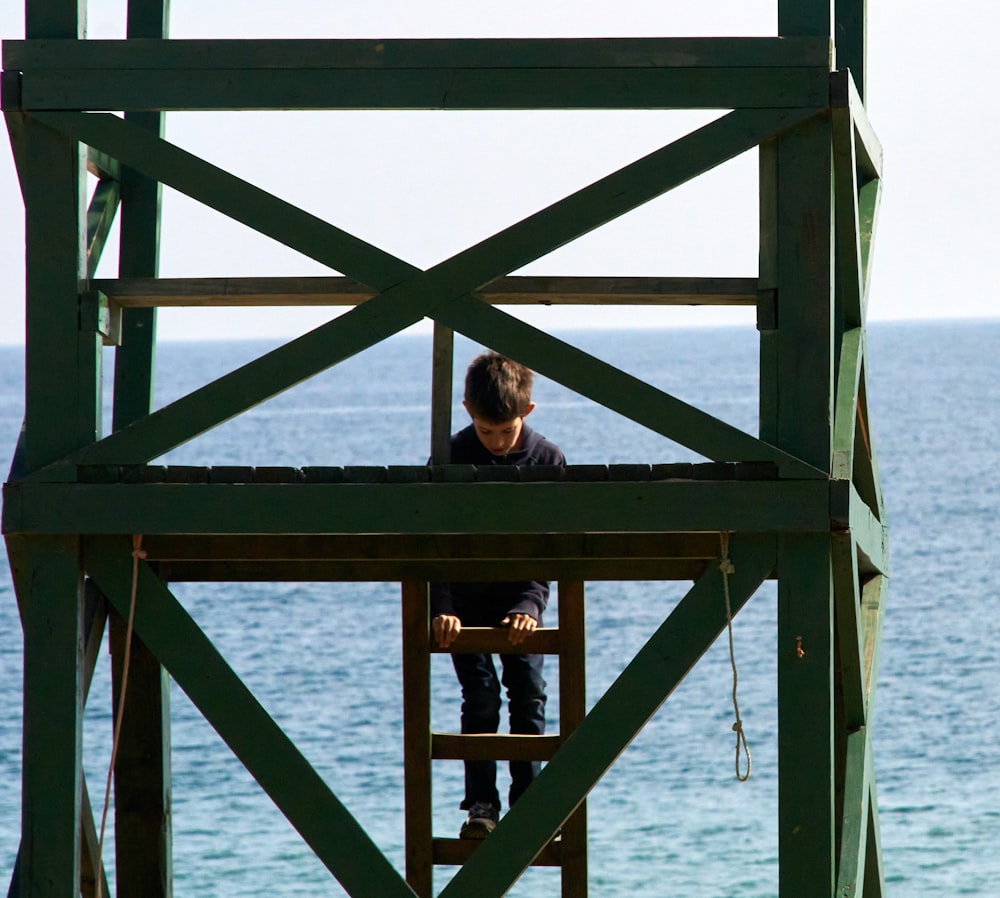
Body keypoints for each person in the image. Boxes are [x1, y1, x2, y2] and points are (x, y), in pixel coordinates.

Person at [430, 351, 566, 839]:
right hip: (463, 604)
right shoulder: (449, 457)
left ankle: (530, 804)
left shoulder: (547, 460)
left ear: (526, 413)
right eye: (486, 432)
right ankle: (481, 806)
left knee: (528, 695)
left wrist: (528, 606)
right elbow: (435, 543)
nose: (496, 443)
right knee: (481, 698)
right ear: (467, 410)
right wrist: (441, 608)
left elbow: (549, 549)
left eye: (505, 432)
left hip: (518, 604)